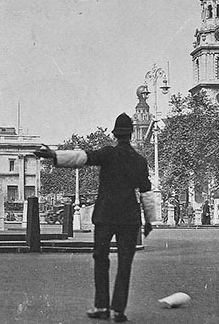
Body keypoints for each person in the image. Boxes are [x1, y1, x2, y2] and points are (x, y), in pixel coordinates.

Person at [34, 113, 155, 323]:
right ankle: (118, 310)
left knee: (101, 259)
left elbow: (82, 157)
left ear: (115, 134)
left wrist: (54, 155)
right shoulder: (140, 161)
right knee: (125, 263)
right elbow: (146, 192)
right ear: (132, 133)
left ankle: (101, 305)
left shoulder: (108, 154)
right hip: (129, 216)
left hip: (105, 214)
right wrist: (150, 221)